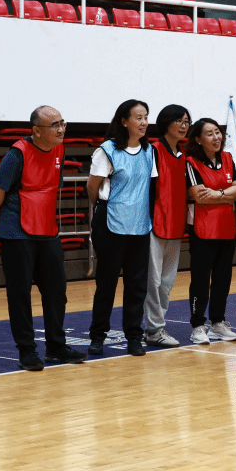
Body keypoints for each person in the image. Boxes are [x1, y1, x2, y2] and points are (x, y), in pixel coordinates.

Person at [0, 105, 86, 370]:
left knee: (56, 291)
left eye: (63, 123)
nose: (61, 129)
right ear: (36, 131)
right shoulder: (17, 154)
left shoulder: (59, 150)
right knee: (20, 293)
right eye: (55, 125)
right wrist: (6, 222)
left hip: (47, 229)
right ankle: (27, 350)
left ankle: (56, 347)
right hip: (16, 231)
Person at [87, 98, 155, 357]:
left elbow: (150, 187)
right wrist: (104, 211)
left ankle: (134, 337)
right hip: (110, 224)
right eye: (138, 117)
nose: (144, 122)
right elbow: (92, 188)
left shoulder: (149, 151)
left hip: (139, 225)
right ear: (124, 121)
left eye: (146, 117)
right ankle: (98, 336)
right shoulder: (107, 150)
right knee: (106, 283)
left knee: (137, 284)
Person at [183, 117, 236, 344]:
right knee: (200, 278)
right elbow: (200, 196)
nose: (216, 137)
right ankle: (198, 326)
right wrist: (226, 195)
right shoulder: (191, 162)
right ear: (198, 139)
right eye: (210, 134)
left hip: (227, 226)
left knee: (222, 278)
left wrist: (217, 194)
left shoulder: (227, 158)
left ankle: (218, 322)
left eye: (218, 132)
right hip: (202, 228)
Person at [142, 104, 192, 348]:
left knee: (167, 281)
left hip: (175, 224)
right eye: (179, 121)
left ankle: (156, 326)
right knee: (153, 281)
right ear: (166, 123)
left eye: (186, 121)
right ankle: (154, 329)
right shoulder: (153, 150)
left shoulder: (184, 153)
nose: (184, 126)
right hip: (154, 224)